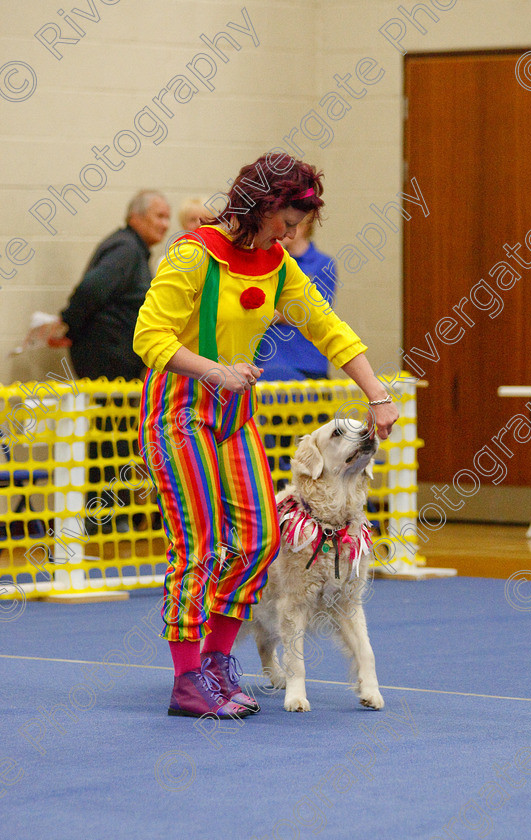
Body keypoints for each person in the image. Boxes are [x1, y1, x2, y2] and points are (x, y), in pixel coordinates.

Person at [133, 153, 399, 719]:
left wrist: (377, 394)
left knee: (257, 540)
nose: (292, 234)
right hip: (179, 415)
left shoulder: (275, 261)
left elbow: (326, 326)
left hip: (233, 417)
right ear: (261, 205)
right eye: (288, 220)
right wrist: (214, 369)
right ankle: (187, 680)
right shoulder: (192, 256)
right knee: (198, 548)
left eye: (299, 225)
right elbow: (148, 337)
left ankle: (216, 662)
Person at [48, 191, 170, 533]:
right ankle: (95, 521)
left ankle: (100, 519)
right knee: (110, 440)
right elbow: (91, 288)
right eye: (159, 216)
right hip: (107, 361)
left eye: (166, 217)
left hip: (117, 362)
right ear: (135, 217)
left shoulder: (133, 251)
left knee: (113, 439)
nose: (165, 224)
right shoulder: (126, 250)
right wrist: (69, 324)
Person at [257, 215, 337, 381]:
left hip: (308, 361)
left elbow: (313, 311)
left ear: (304, 226)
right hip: (266, 360)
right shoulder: (268, 260)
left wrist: (269, 314)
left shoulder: (322, 264)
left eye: (290, 225)